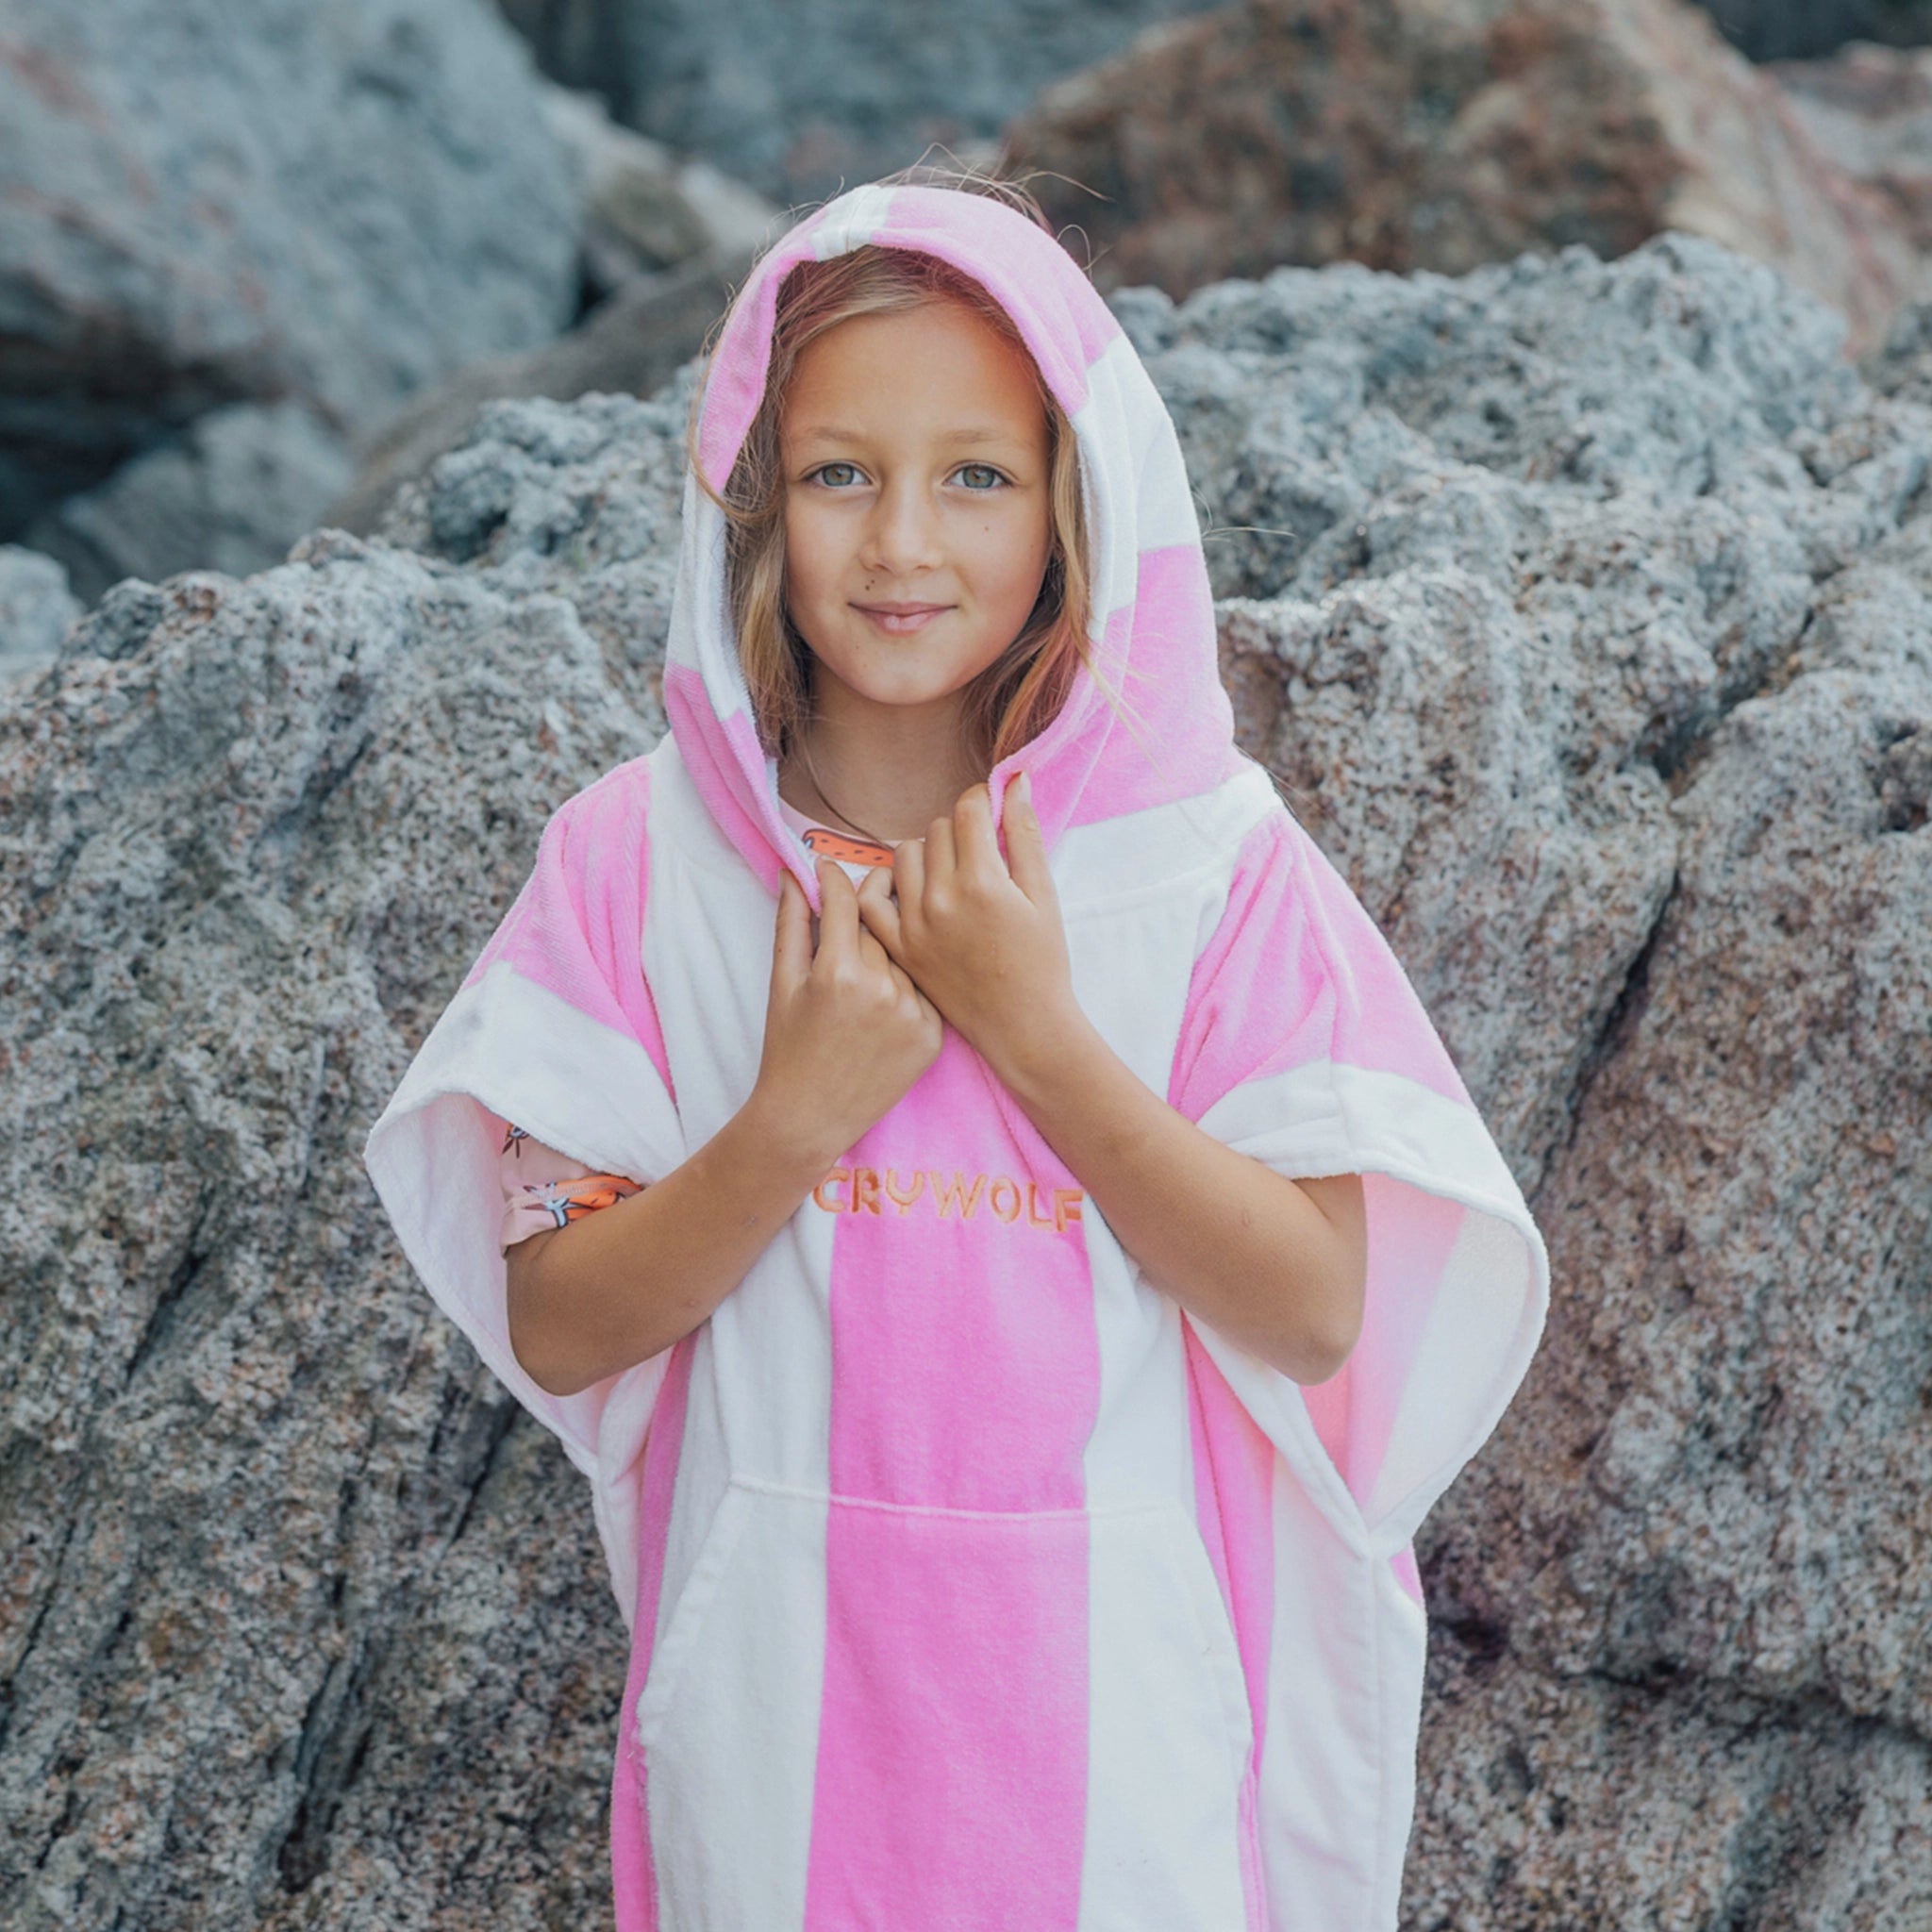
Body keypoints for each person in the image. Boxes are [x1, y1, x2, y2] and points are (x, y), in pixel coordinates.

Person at [365, 174, 1549, 1931]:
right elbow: (561, 1310)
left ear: (1076, 509)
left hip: (1122, 1758)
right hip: (774, 1736)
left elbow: (1314, 1309)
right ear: (753, 503)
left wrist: (1037, 1032)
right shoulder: (635, 866)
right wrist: (790, 1121)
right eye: (842, 471)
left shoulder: (1204, 870)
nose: (903, 540)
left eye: (976, 476)